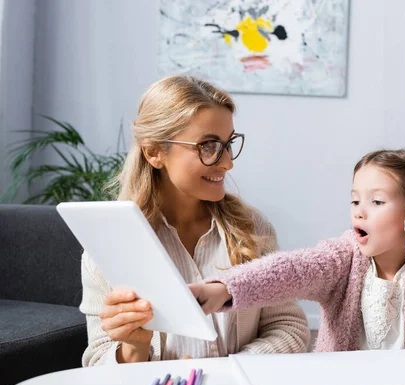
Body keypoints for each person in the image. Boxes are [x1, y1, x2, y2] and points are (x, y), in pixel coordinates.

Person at [79, 76, 309, 366]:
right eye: (208, 146)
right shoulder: (109, 245)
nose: (227, 163)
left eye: (228, 144)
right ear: (154, 153)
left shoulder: (252, 228)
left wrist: (230, 371)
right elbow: (97, 362)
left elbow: (289, 326)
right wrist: (133, 347)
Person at [192, 149, 405, 352]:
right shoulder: (344, 259)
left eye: (377, 202)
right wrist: (226, 289)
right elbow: (289, 270)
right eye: (355, 200)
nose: (359, 212)